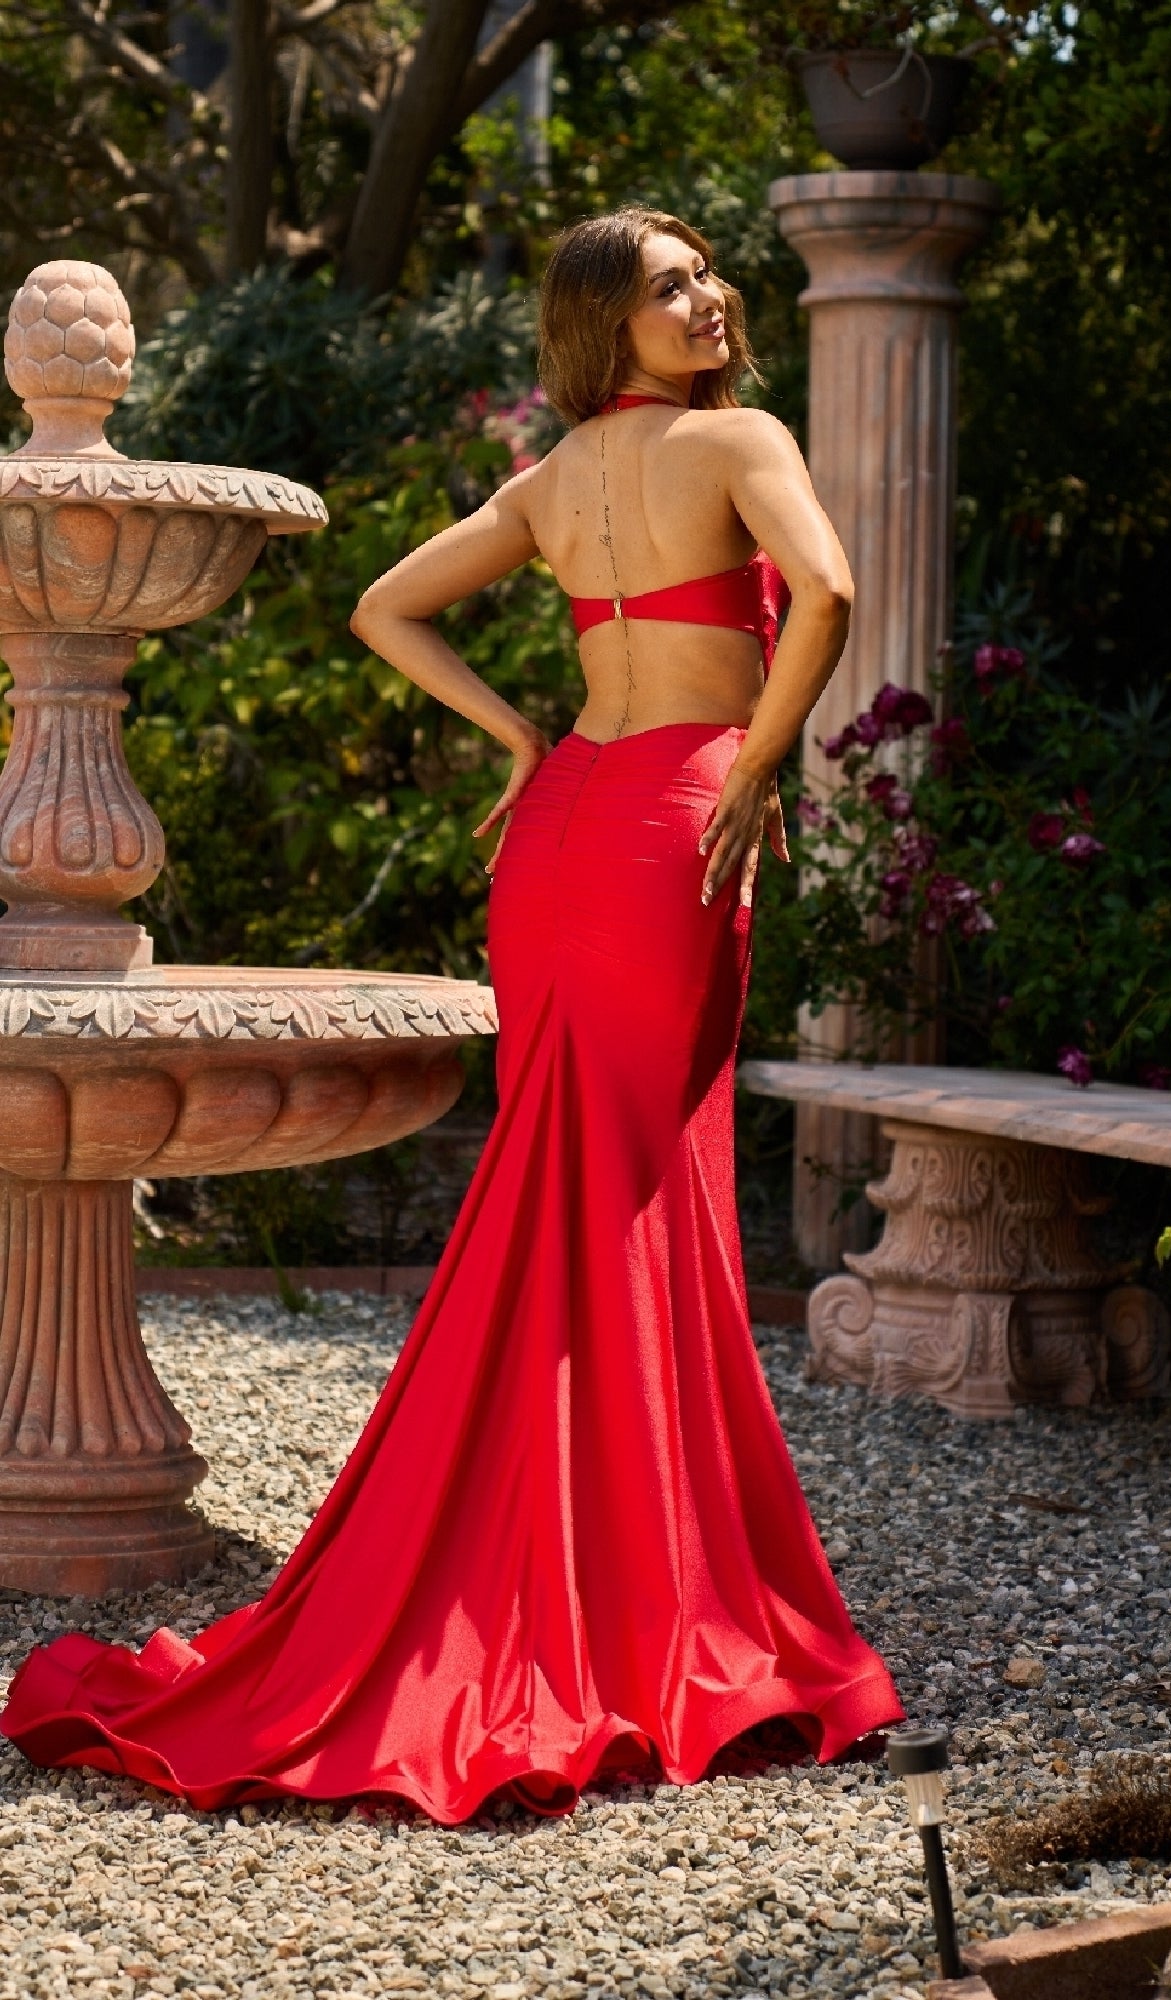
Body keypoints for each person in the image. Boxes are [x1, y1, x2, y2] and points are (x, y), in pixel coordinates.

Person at [0, 207, 903, 1824]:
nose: (703, 300)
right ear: (602, 328)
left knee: (568, 1186)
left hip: (570, 830)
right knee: (630, 1193)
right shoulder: (740, 435)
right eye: (663, 289)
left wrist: (515, 740)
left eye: (701, 274)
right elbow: (824, 595)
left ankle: (564, 1559)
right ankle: (640, 1601)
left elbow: (385, 607)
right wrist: (763, 766)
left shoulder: (555, 485)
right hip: (673, 827)